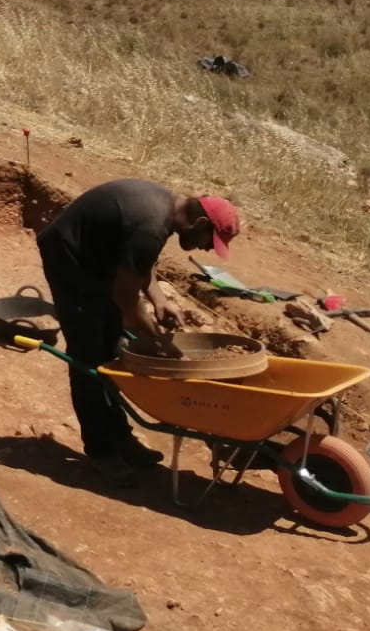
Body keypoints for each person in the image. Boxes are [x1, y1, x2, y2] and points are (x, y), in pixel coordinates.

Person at [34, 179, 241, 475]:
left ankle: (119, 437)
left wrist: (158, 299)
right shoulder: (152, 223)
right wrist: (158, 341)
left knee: (111, 351)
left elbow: (140, 261)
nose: (206, 248)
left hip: (97, 260)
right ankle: (101, 452)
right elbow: (126, 299)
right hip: (71, 260)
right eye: (210, 239)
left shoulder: (164, 209)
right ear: (200, 222)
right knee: (89, 359)